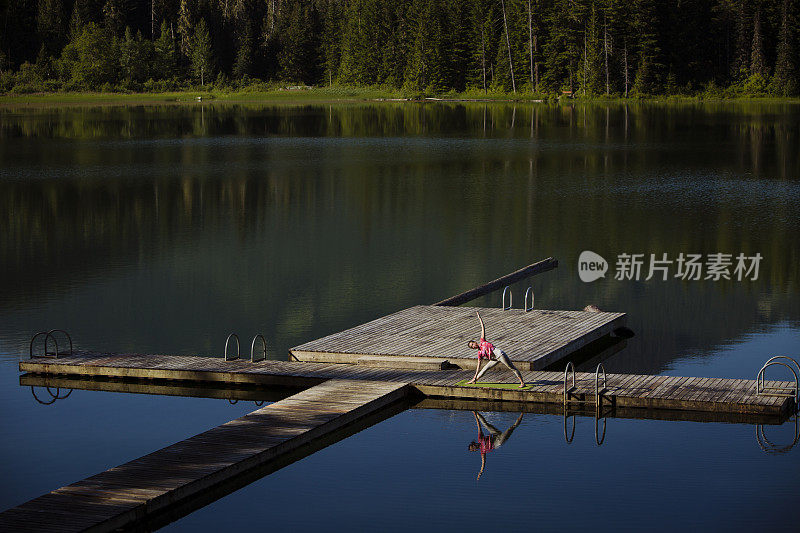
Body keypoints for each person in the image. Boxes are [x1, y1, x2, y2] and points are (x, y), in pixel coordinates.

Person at [466, 311, 526, 387]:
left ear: (475, 342)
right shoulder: (479, 353)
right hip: (494, 359)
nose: (473, 346)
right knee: (484, 368)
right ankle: (474, 380)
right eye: (472, 347)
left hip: (500, 355)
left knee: (512, 368)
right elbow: (479, 365)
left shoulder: (482, 341)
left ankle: (522, 383)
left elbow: (482, 328)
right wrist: (475, 375)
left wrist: (480, 318)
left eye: (472, 344)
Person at [468, 411, 524, 480]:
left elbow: (479, 426)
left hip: (495, 435)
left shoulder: (480, 438)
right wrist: (480, 472)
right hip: (498, 442)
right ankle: (522, 413)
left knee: (485, 424)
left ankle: (476, 412)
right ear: (475, 450)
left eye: (472, 446)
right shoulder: (482, 452)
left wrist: (475, 415)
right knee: (511, 428)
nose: (474, 448)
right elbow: (483, 463)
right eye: (473, 449)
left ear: (473, 444)